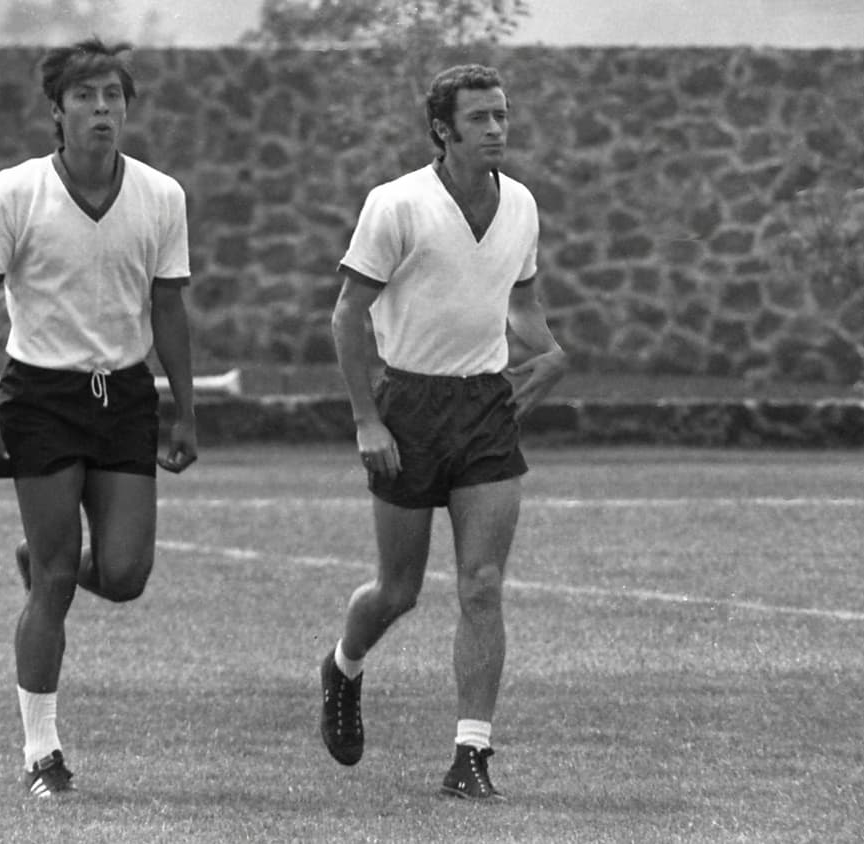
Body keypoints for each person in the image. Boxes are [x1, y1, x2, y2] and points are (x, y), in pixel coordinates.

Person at [0, 37, 198, 798]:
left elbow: (168, 307)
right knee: (57, 580)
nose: (101, 109)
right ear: (57, 111)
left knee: (124, 575)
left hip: (124, 396)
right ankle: (42, 753)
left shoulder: (161, 196)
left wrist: (185, 410)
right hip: (41, 398)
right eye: (85, 97)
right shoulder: (14, 192)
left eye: (113, 96)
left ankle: (39, 559)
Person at [319, 63, 567, 800]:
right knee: (397, 591)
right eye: (480, 117)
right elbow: (347, 314)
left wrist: (551, 353)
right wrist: (367, 418)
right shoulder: (396, 204)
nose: (497, 128)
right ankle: (343, 666)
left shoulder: (521, 204)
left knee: (482, 586)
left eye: (502, 114)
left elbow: (522, 306)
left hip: (487, 408)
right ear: (442, 130)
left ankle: (470, 756)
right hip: (408, 405)